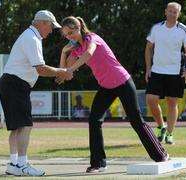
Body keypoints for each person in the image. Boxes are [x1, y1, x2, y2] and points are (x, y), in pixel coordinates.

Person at [57, 16, 169, 173]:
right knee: (94, 120)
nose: (69, 37)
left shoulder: (92, 38)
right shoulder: (76, 48)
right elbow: (65, 73)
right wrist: (64, 53)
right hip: (106, 86)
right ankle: (98, 163)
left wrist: (71, 69)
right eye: (66, 35)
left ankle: (161, 155)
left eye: (71, 32)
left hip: (122, 81)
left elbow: (89, 54)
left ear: (79, 27)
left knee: (136, 121)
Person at [0, 10, 72, 176]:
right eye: (51, 26)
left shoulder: (30, 36)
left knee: (17, 127)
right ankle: (22, 165)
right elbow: (41, 69)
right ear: (42, 23)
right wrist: (62, 72)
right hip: (15, 84)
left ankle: (13, 164)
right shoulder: (32, 38)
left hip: (10, 83)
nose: (52, 30)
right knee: (25, 125)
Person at [145, 2, 186, 144]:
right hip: (157, 70)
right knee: (151, 100)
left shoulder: (183, 30)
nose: (172, 14)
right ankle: (161, 127)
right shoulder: (156, 28)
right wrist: (148, 68)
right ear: (165, 12)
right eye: (170, 11)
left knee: (172, 102)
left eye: (175, 12)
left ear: (178, 14)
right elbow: (148, 48)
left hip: (175, 72)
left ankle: (170, 134)